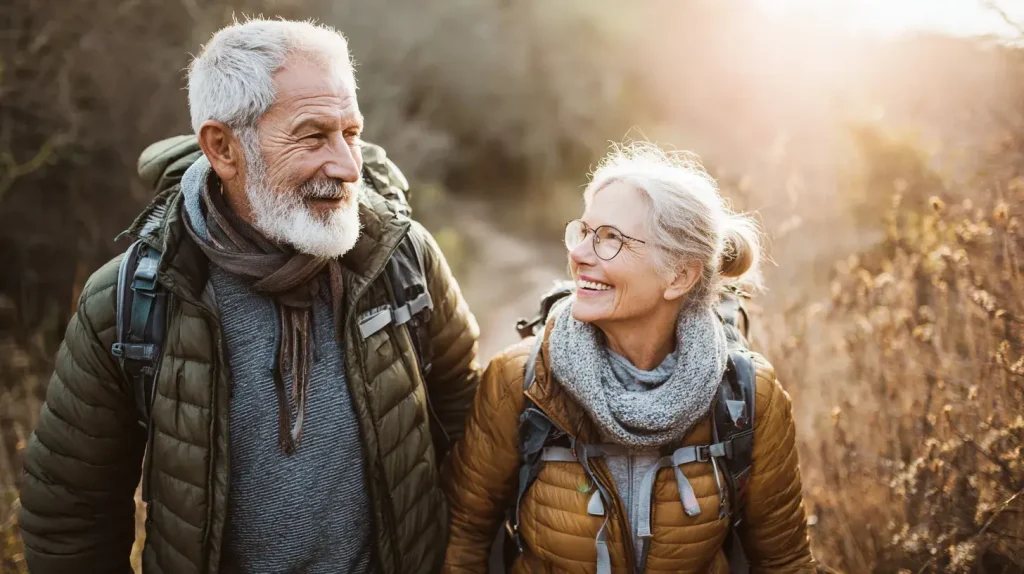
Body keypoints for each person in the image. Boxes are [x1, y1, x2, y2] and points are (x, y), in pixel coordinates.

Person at [18, 19, 481, 574]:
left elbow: (469, 427)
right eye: (313, 136)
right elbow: (71, 518)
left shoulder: (401, 257)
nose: (348, 166)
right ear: (224, 147)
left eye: (351, 133)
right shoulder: (131, 301)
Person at [443, 143, 816, 573]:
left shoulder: (750, 398)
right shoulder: (520, 382)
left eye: (610, 240)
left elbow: (785, 562)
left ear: (679, 275)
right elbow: (465, 539)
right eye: (583, 232)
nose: (579, 255)